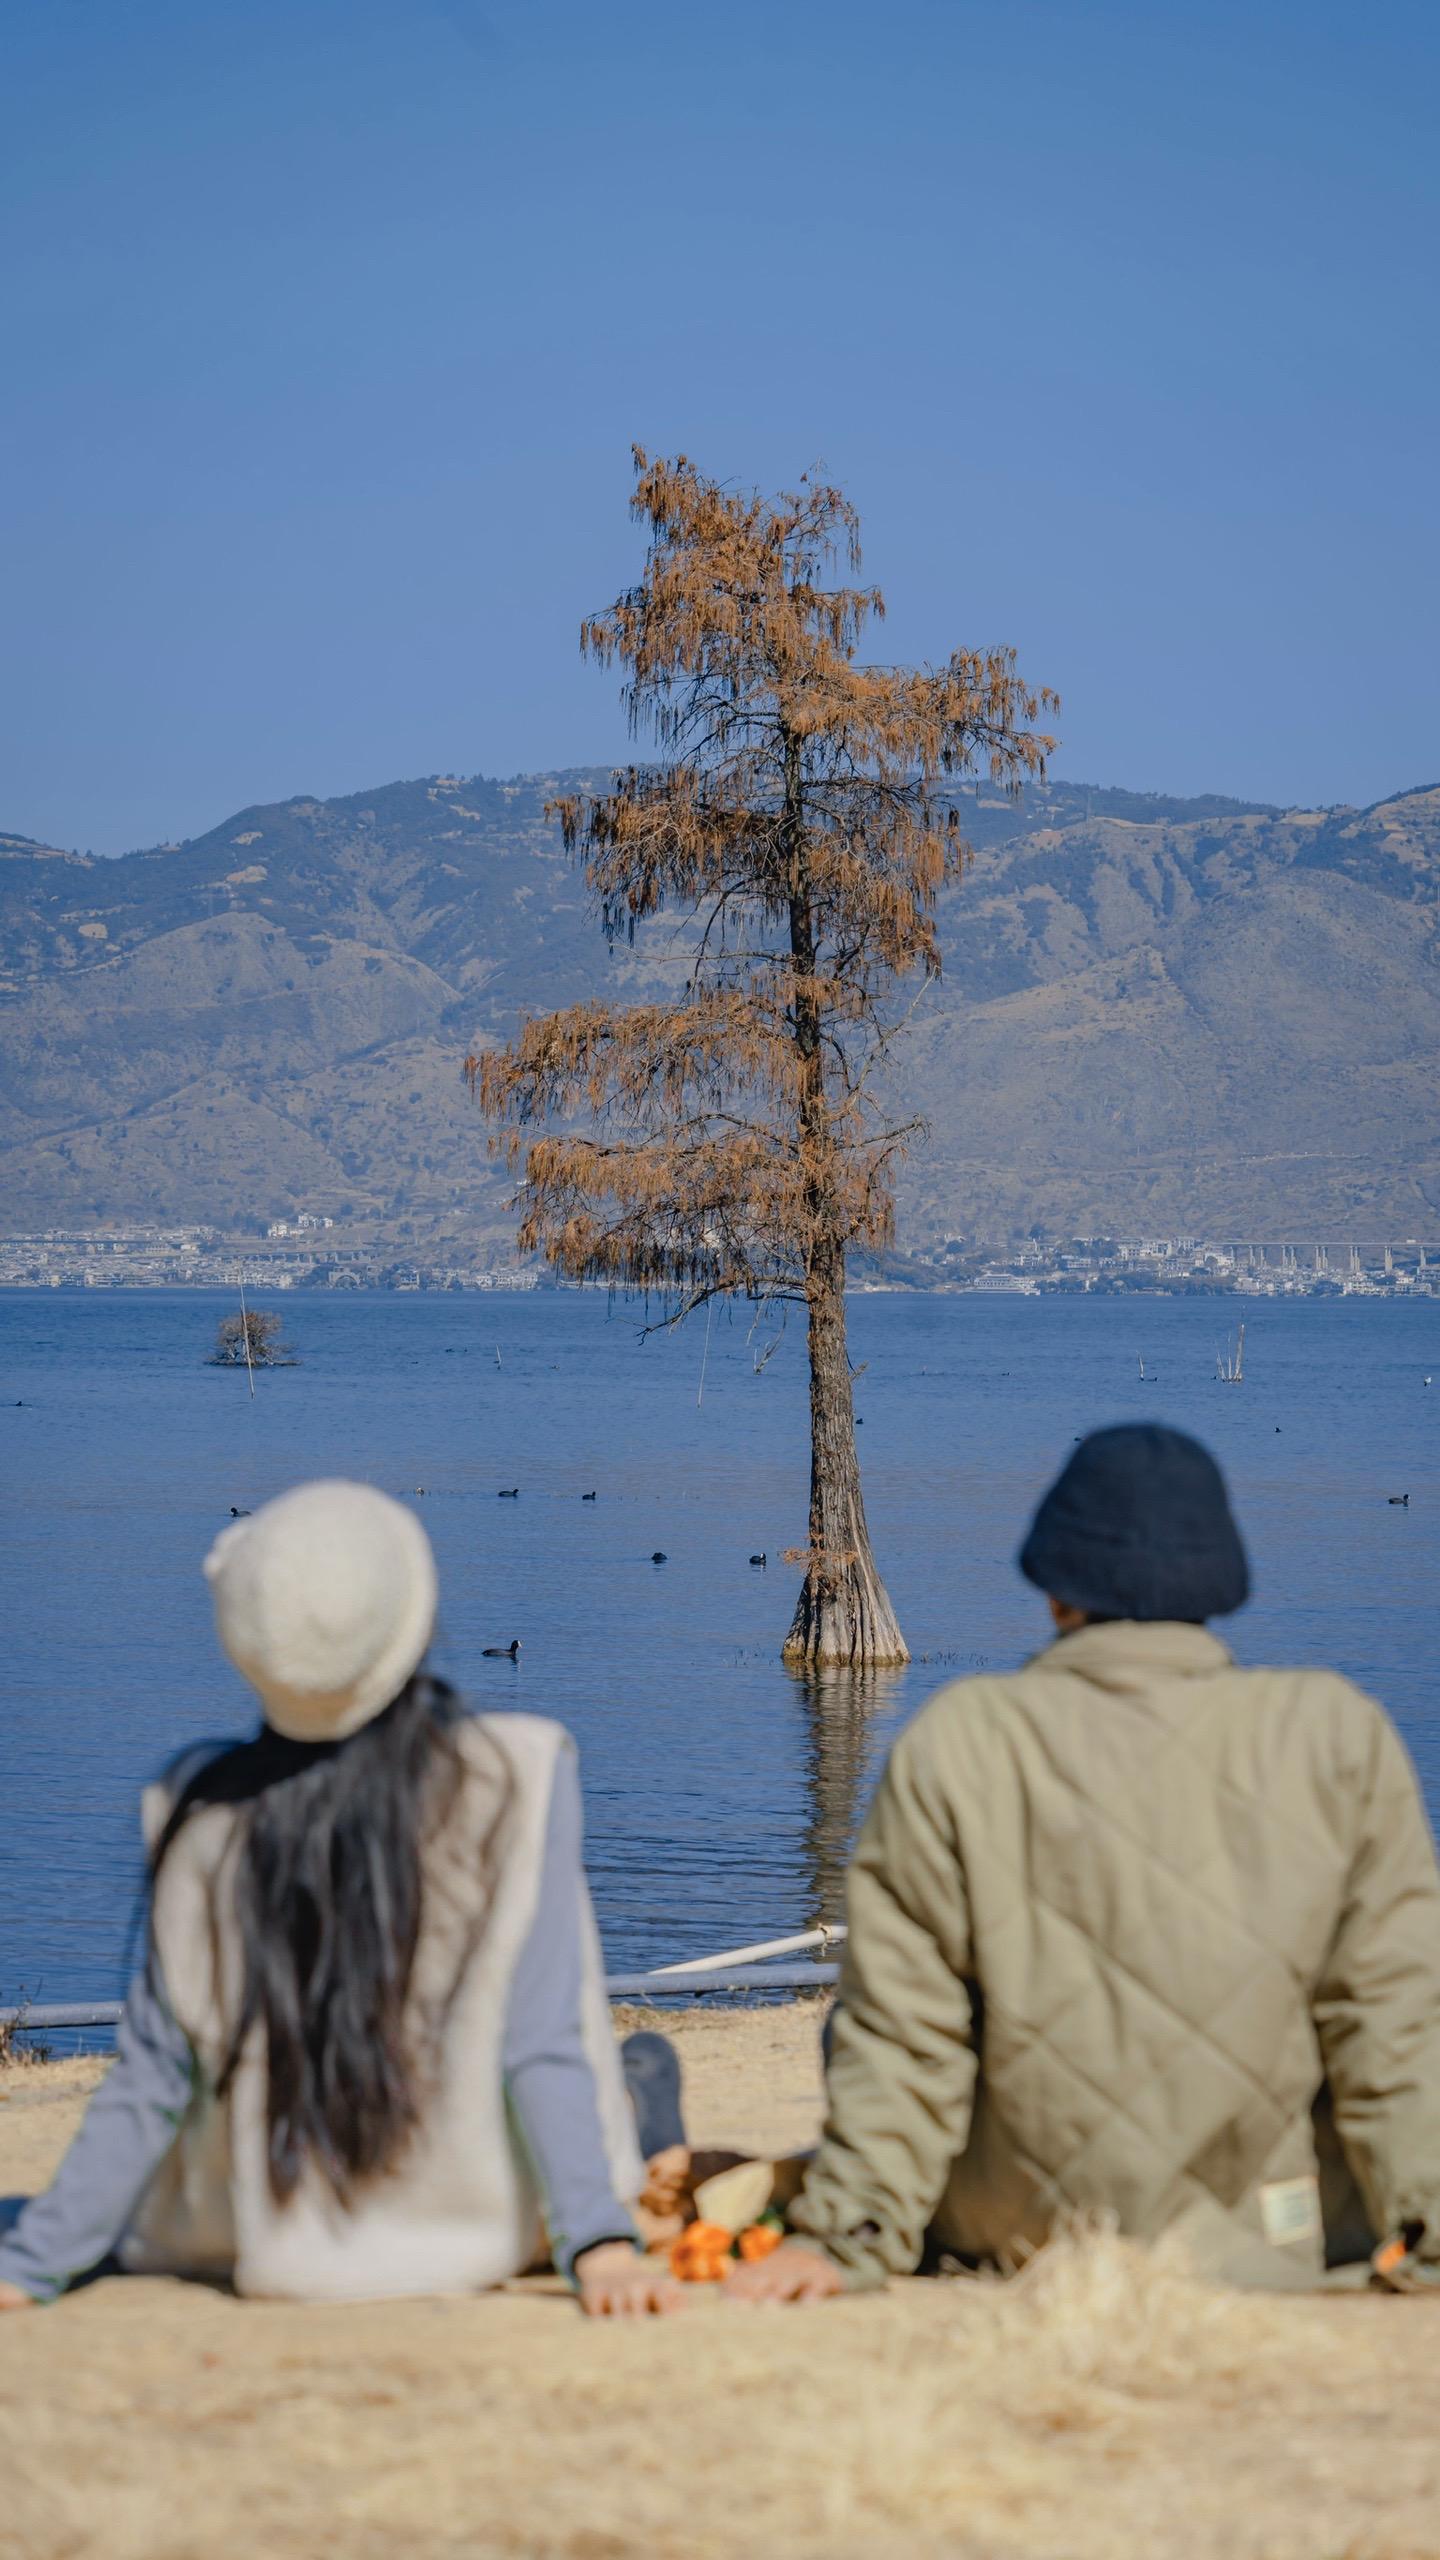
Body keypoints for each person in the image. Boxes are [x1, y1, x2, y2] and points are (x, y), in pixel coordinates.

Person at [729, 1423, 1440, 2305]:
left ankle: (870, 2206)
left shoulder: (964, 1738)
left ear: (1056, 1586)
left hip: (1018, 2228)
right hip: (1276, 2230)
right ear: (1218, 1583)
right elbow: (1393, 2019)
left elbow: (906, 2036)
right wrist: (1427, 2227)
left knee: (859, 2014)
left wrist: (849, 2236)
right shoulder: (1339, 1736)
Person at [0, 1481, 685, 2317]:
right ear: (416, 1625)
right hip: (483, 2227)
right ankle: (654, 2130)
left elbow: (153, 2074)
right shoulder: (517, 1776)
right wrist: (599, 2245)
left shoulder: (197, 1806)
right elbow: (537, 2043)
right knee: (642, 2069)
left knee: (640, 2070)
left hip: (268, 2235)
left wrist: (31, 2264)